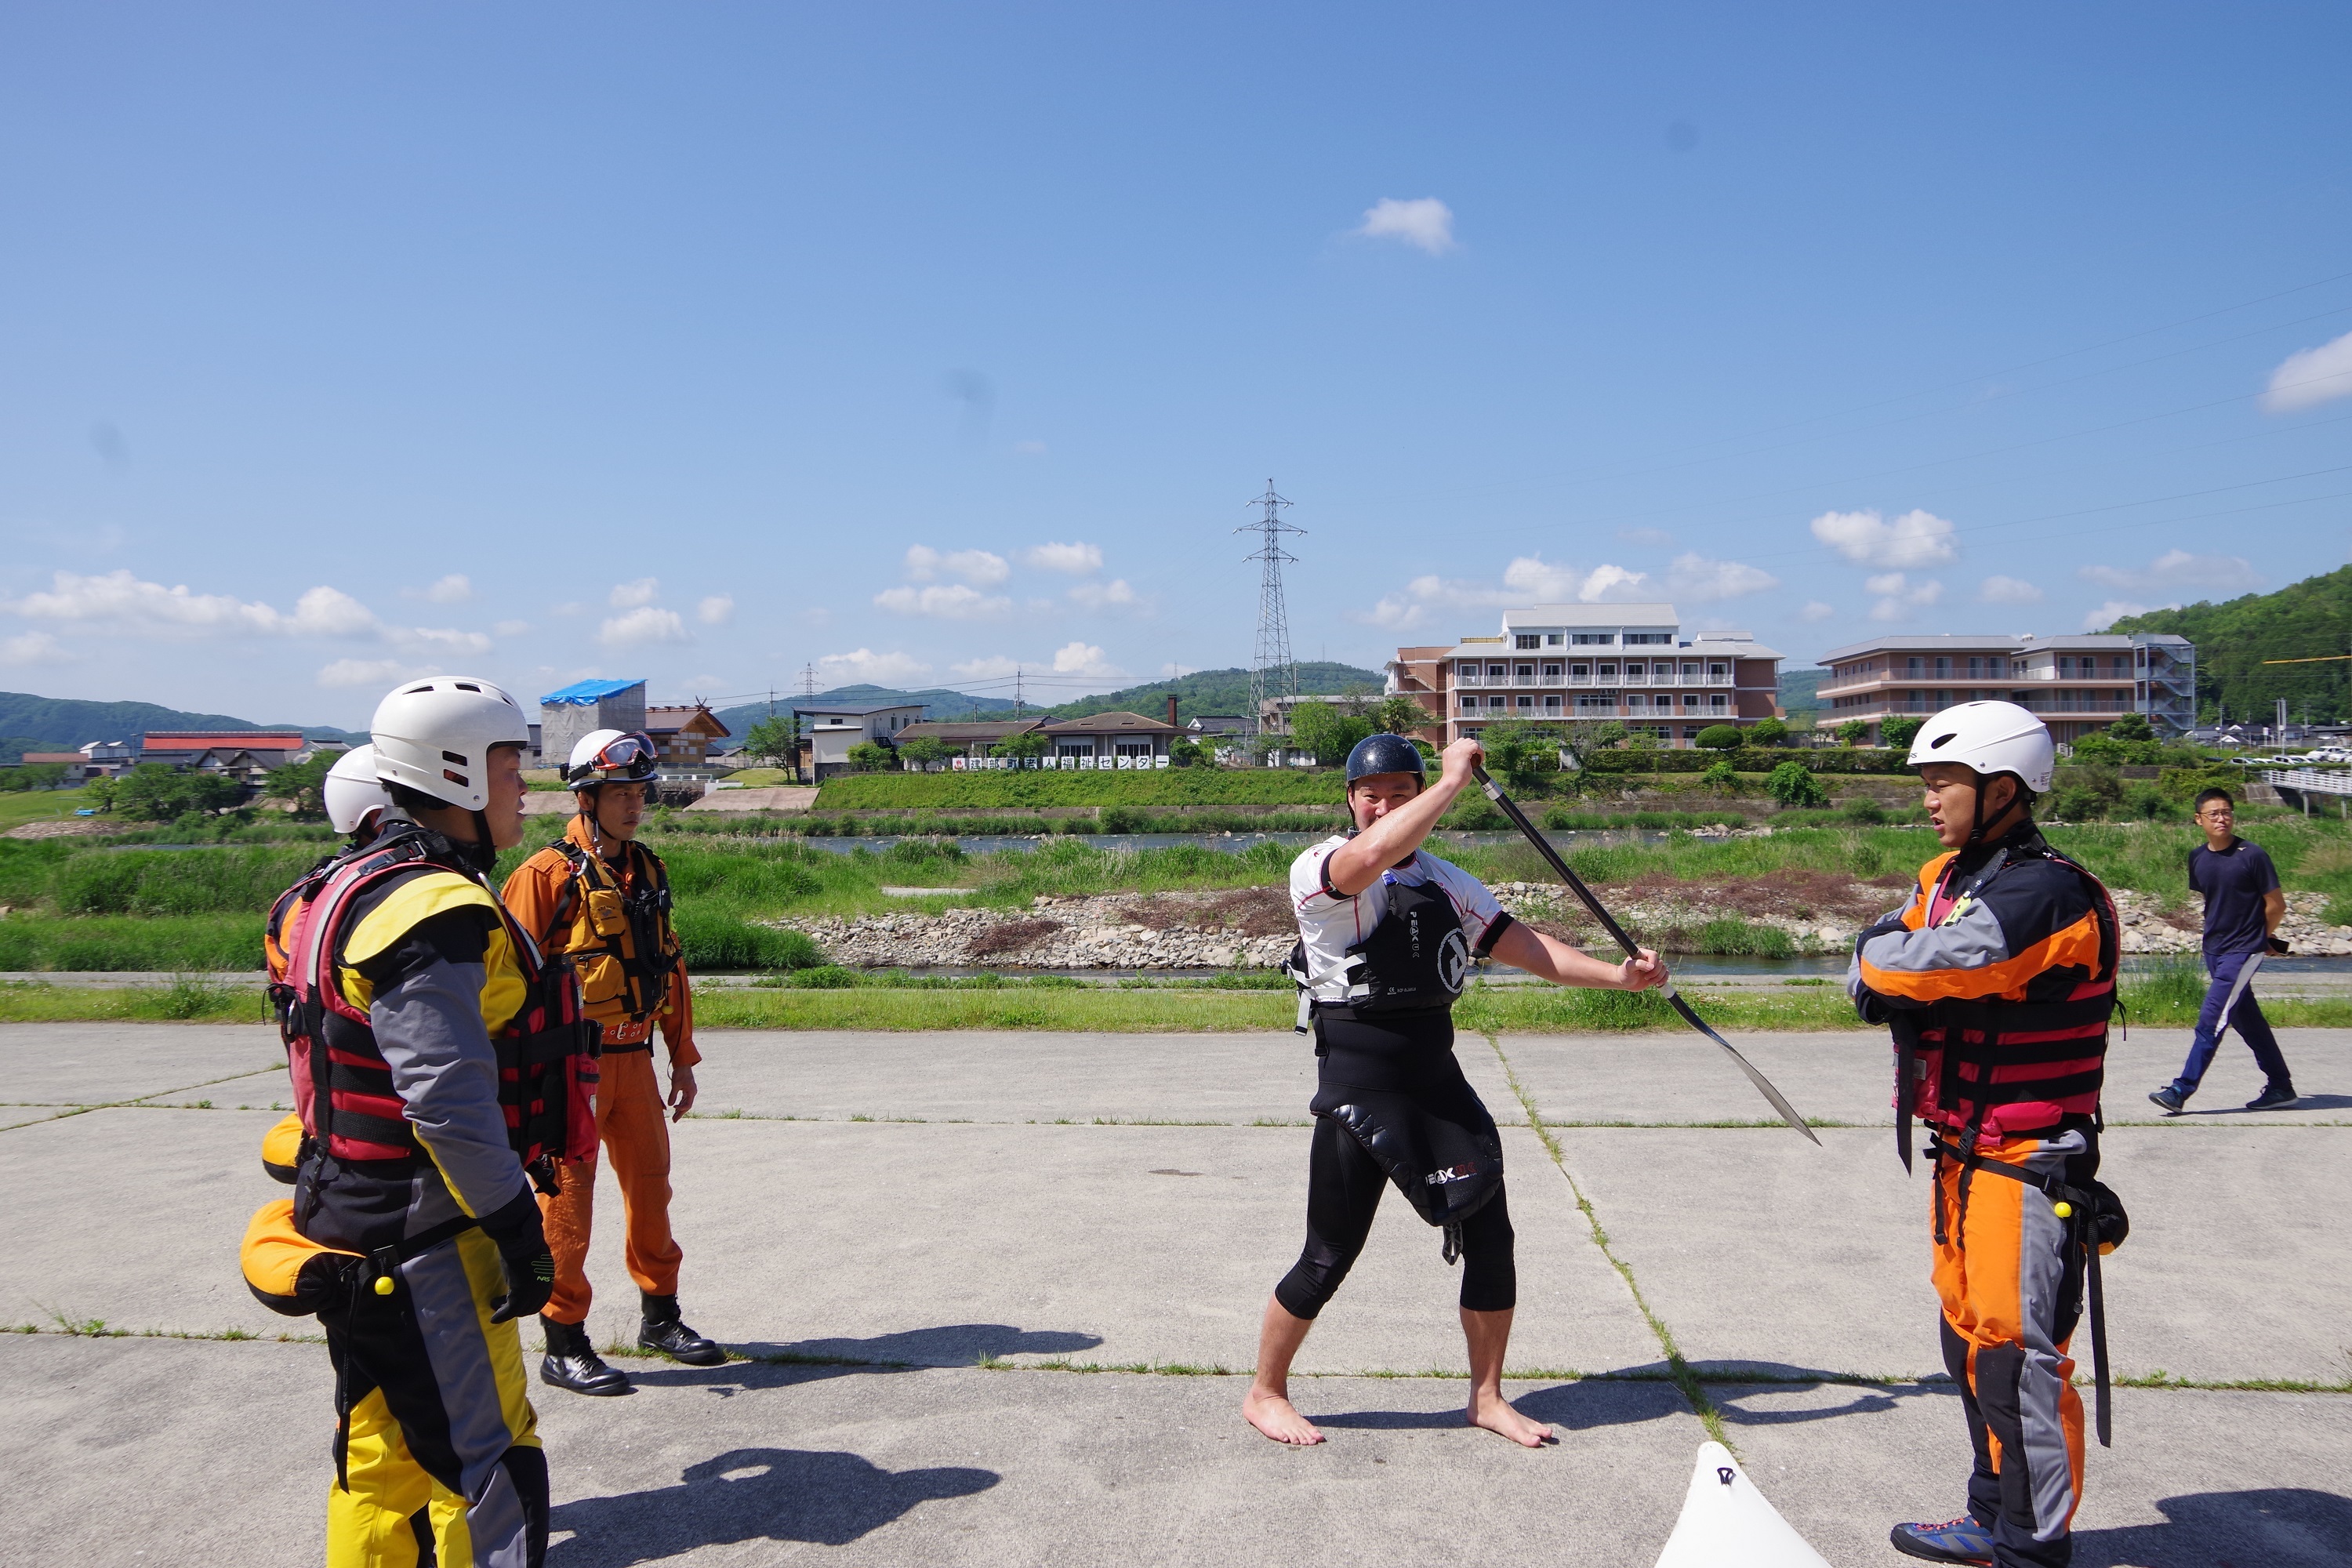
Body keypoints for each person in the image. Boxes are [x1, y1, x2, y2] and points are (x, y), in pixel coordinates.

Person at [1243, 731, 1669, 1449]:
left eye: (1399, 797)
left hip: (1437, 1082)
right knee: (1329, 1255)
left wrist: (1619, 977)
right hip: (1359, 1089)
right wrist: (1448, 784)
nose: (1382, 810)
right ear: (1349, 800)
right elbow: (1369, 858)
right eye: (1370, 797)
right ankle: (1265, 1392)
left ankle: (1487, 1397)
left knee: (1493, 1238)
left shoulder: (1449, 882)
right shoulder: (1319, 868)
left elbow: (1527, 948)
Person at [267, 676, 595, 1568]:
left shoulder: (335, 888)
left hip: (356, 1220)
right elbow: (444, 1099)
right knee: (486, 1457)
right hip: (429, 1237)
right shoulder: (432, 909)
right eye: (507, 765)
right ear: (454, 773)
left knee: (381, 1461)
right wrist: (518, 1224)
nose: (524, 786)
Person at [1849, 702, 2122, 1568]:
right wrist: (1883, 959)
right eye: (1927, 785)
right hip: (1963, 1154)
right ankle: (1989, 1515)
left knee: (2015, 1355)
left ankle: (2034, 1547)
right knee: (1965, 1340)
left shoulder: (2047, 889)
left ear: (2001, 788)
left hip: (2029, 1159)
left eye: (1945, 784)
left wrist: (1886, 959)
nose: (1930, 800)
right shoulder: (1949, 878)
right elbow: (1870, 967)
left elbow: (1906, 963)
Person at [502, 728, 723, 1396]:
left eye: (638, 792)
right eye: (619, 793)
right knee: (568, 1209)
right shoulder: (544, 876)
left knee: (652, 1192)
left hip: (635, 1059)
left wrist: (680, 1058)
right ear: (586, 797)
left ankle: (661, 1317)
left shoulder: (648, 869)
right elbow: (506, 981)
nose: (634, 805)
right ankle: (564, 1340)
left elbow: (669, 967)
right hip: (571, 1070)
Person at [2149, 788, 2297, 1114]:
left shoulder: (2252, 855)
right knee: (2247, 1020)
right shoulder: (2198, 858)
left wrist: (2261, 939)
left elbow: (2276, 905)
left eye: (2227, 812)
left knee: (2211, 1019)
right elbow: (2216, 902)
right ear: (2198, 819)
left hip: (2242, 951)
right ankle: (2281, 1086)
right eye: (2214, 813)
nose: (2222, 818)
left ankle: (2181, 1089)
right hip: (2214, 949)